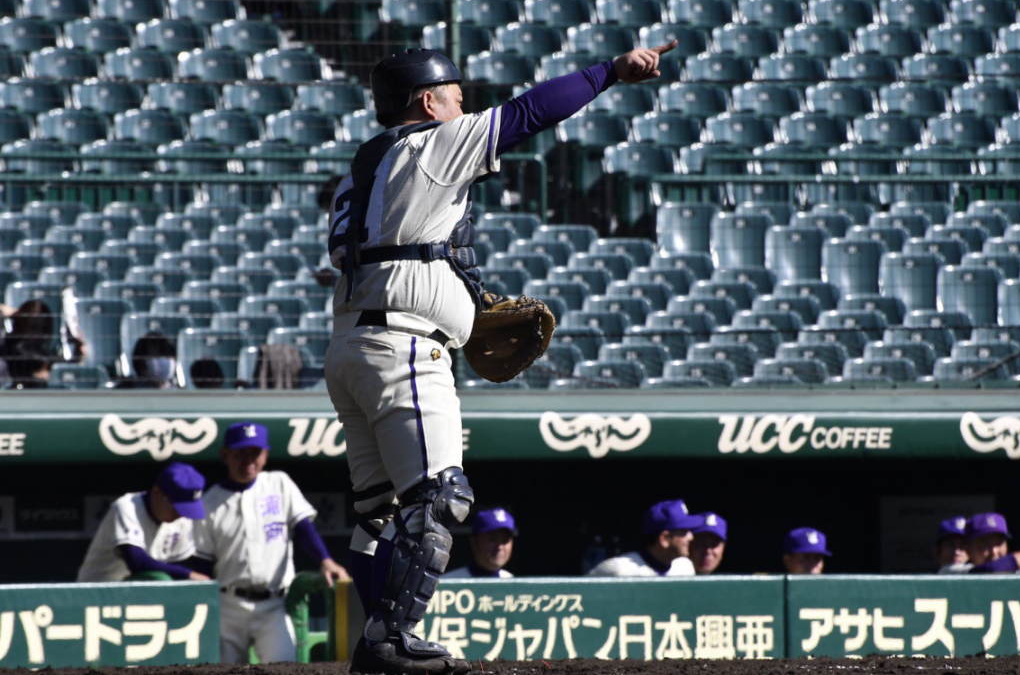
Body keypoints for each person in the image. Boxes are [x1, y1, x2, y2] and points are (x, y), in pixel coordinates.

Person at [322, 42, 677, 675]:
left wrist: (462, 297)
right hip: (404, 344)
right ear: (427, 102)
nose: (465, 104)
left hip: (352, 346)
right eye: (456, 94)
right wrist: (610, 73)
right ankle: (392, 640)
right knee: (438, 497)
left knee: (378, 518)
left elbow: (401, 247)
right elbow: (527, 114)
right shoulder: (427, 143)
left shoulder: (360, 168)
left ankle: (374, 639)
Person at [193, 421, 350, 664]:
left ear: (265, 455)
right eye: (240, 453)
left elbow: (304, 528)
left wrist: (324, 560)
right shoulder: (209, 502)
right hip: (228, 606)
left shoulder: (279, 483)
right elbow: (202, 563)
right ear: (226, 455)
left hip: (274, 605)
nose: (248, 460)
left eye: (254, 453)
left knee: (285, 667)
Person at [77, 462, 208, 582]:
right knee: (160, 578)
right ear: (157, 492)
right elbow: (137, 562)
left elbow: (179, 564)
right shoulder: (127, 507)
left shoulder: (182, 519)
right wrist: (188, 574)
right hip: (97, 593)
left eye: (185, 510)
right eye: (176, 507)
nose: (180, 514)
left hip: (138, 595)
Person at [589, 500, 701, 577]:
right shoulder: (619, 569)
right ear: (665, 539)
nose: (691, 537)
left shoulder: (685, 567)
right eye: (684, 532)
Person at [445, 508, 517, 579]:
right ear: (474, 542)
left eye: (505, 540)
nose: (499, 547)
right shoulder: (450, 582)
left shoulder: (513, 583)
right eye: (493, 539)